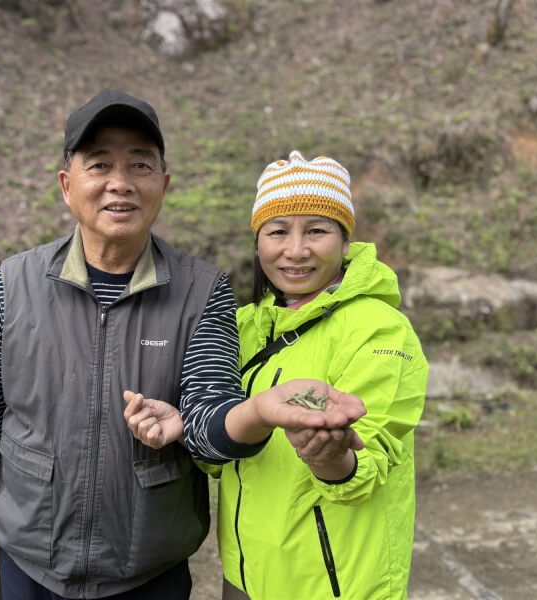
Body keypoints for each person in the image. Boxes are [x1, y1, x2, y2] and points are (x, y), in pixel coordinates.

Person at [0, 91, 365, 600]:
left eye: (140, 164)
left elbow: (208, 424)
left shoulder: (202, 291)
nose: (120, 182)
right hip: (31, 568)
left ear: (163, 185)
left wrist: (256, 412)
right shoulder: (12, 285)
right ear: (67, 185)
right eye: (100, 164)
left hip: (149, 574)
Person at [125, 150, 429, 599]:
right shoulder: (244, 326)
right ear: (258, 241)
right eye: (278, 231)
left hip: (337, 584)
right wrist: (189, 426)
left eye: (318, 230)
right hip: (246, 579)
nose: (296, 250)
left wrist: (330, 458)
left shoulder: (380, 330)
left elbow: (368, 465)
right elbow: (223, 455)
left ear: (346, 242)